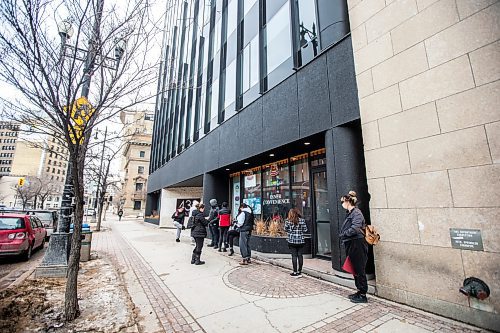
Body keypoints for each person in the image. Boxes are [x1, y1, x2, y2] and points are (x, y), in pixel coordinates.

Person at [339, 191, 368, 303]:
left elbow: (356, 228)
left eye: (343, 202)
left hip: (357, 243)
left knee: (359, 268)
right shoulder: (350, 213)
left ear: (347, 201)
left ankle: (363, 294)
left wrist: (344, 234)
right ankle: (359, 291)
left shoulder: (356, 213)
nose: (342, 204)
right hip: (352, 243)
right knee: (355, 268)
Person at [284, 208, 308, 277]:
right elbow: (305, 229)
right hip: (300, 241)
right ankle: (299, 271)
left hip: (292, 241)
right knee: (300, 255)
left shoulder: (288, 221)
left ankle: (295, 272)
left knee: (294, 256)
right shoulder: (302, 221)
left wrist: (290, 231)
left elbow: (285, 229)